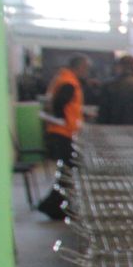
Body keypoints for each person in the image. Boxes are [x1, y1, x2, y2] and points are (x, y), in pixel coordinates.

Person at [38, 54, 89, 221]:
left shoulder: (63, 78)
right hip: (64, 132)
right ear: (79, 67)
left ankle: (55, 206)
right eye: (85, 68)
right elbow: (60, 103)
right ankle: (52, 207)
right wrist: (65, 119)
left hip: (61, 130)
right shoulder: (69, 82)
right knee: (68, 171)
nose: (86, 71)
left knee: (66, 171)